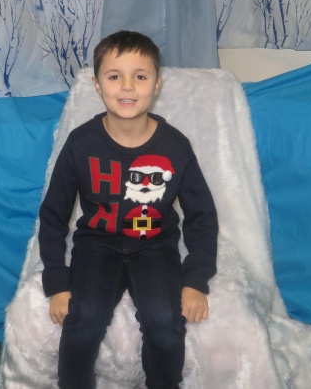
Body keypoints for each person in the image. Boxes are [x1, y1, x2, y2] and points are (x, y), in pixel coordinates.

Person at [38, 30, 218, 389]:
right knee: (83, 321)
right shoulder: (81, 143)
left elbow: (202, 216)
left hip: (155, 246)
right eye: (114, 76)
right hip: (96, 245)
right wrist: (57, 281)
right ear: (97, 84)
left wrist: (196, 280)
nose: (127, 87)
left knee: (164, 322)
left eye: (140, 76)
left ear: (157, 84)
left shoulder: (175, 146)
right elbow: (53, 214)